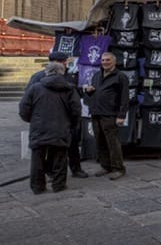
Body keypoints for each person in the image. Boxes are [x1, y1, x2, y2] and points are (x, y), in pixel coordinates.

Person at [19, 62, 81, 194]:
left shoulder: (35, 88)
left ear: (46, 72)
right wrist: (71, 124)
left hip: (39, 127)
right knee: (60, 157)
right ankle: (58, 185)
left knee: (37, 158)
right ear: (62, 72)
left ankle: (37, 186)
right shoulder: (69, 89)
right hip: (61, 127)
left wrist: (33, 120)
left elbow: (24, 108)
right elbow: (76, 110)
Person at [25, 51, 90, 178]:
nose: (67, 64)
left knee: (73, 145)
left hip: (66, 119)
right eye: (64, 61)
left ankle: (75, 169)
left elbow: (75, 95)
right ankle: (51, 172)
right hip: (48, 119)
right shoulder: (38, 77)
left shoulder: (68, 76)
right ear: (56, 62)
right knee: (51, 148)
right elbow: (28, 100)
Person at [84, 52, 129, 180]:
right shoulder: (97, 75)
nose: (105, 62)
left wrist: (121, 115)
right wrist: (89, 92)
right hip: (96, 112)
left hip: (110, 114)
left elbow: (124, 98)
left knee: (112, 142)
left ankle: (118, 168)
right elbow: (91, 95)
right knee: (100, 141)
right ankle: (105, 166)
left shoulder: (120, 77)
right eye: (103, 60)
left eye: (108, 60)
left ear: (114, 61)